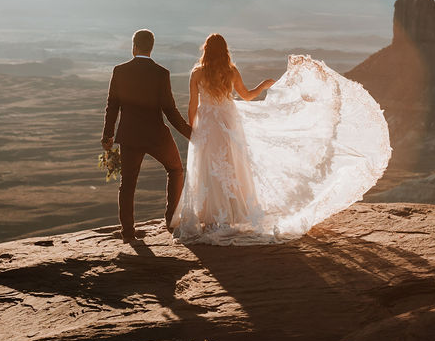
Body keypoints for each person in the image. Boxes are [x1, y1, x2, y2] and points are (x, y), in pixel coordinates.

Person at [172, 34, 391, 245]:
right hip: (229, 122)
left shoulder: (197, 73)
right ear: (224, 51)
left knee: (208, 167)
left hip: (208, 123)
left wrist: (195, 128)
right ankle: (229, 215)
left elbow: (192, 104)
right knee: (231, 166)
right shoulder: (230, 71)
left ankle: (210, 218)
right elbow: (247, 96)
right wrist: (263, 86)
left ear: (206, 50)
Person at [101, 29, 191, 242]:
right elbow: (170, 110)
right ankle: (171, 219)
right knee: (176, 169)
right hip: (156, 135)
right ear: (151, 47)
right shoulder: (161, 73)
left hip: (129, 136)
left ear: (134, 47)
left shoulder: (120, 71)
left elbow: (112, 106)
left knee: (127, 183)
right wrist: (190, 133)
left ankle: (128, 233)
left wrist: (108, 135)